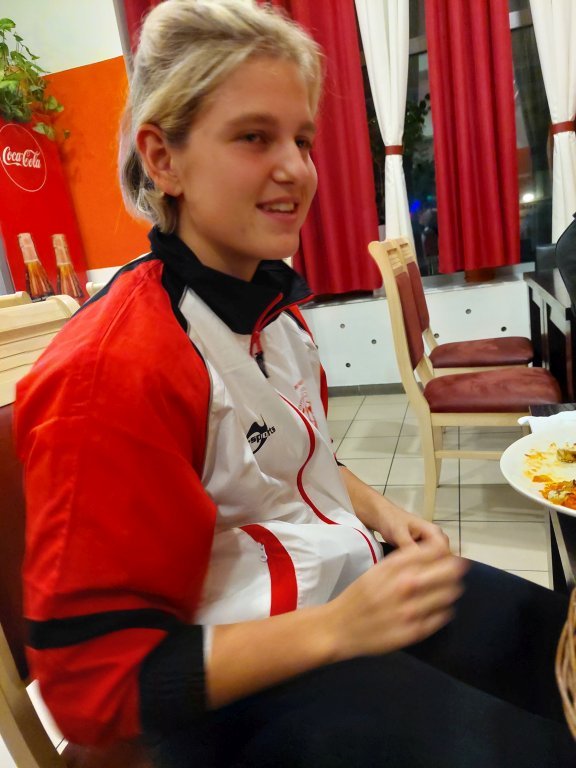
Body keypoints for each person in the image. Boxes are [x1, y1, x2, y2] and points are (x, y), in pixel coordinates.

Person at [14, 2, 576, 766]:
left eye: (303, 140)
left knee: (549, 641)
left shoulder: (273, 312)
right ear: (163, 158)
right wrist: (339, 630)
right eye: (255, 136)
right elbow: (89, 687)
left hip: (337, 592)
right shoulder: (113, 371)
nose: (297, 169)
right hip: (233, 692)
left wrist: (384, 513)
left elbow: (286, 457)